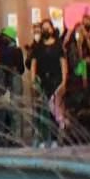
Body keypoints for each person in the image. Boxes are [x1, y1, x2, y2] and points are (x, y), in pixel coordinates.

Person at [29, 18, 68, 146]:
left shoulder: (58, 45)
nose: (45, 29)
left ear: (52, 29)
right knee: (42, 110)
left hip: (56, 80)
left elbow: (63, 63)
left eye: (48, 27)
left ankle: (56, 139)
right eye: (43, 27)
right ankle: (44, 138)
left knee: (54, 109)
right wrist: (33, 80)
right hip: (42, 81)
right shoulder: (38, 46)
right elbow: (33, 64)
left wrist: (64, 81)